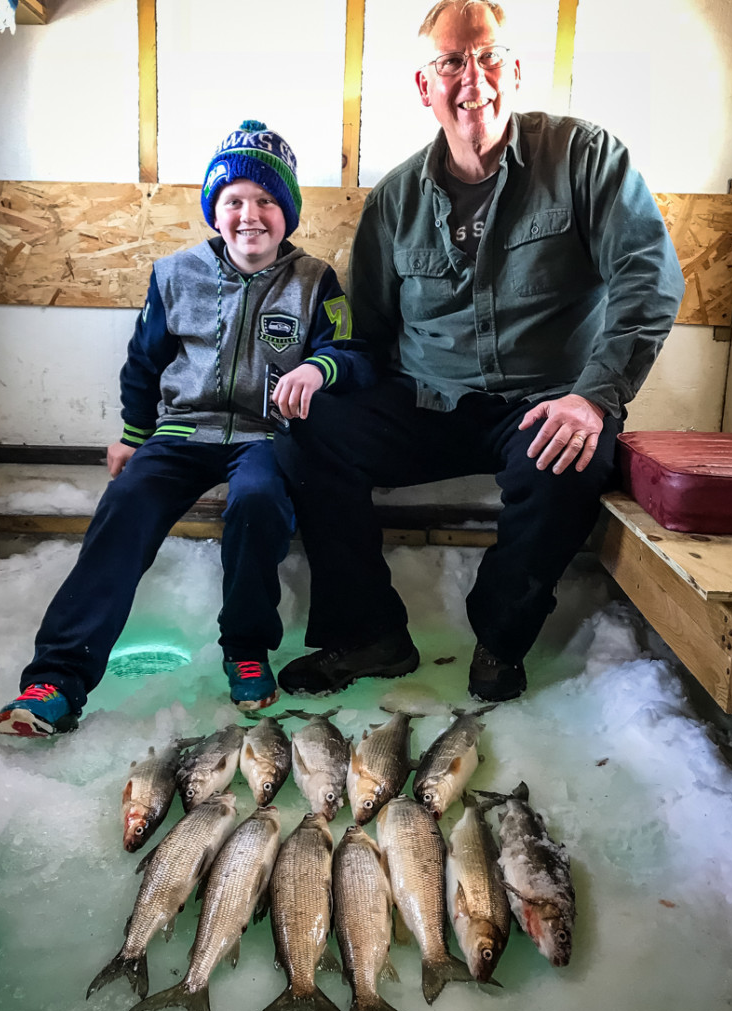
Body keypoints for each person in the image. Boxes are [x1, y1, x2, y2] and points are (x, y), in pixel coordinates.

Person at [273, 0, 685, 703]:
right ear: (425, 85)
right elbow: (369, 334)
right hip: (427, 400)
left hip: (543, 402)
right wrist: (320, 369)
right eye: (453, 61)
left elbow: (649, 281)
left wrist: (593, 396)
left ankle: (500, 639)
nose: (475, 77)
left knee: (573, 463)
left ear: (516, 69)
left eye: (489, 55)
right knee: (307, 433)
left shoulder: (586, 159)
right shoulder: (395, 200)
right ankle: (369, 634)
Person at [0, 119, 375, 736]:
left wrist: (318, 366)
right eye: (234, 202)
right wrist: (134, 436)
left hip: (265, 436)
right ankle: (55, 680)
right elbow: (143, 362)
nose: (250, 215)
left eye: (267, 201)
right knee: (126, 503)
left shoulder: (315, 280)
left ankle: (246, 648)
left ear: (288, 212)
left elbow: (353, 353)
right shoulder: (174, 274)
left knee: (257, 504)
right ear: (214, 211)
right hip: (180, 433)